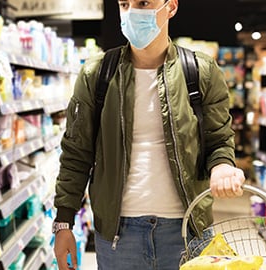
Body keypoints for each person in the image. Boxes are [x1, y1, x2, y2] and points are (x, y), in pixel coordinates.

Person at [52, 0, 246, 269]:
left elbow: (219, 139)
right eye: (125, 4)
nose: (132, 13)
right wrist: (63, 223)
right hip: (119, 237)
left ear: (171, 7)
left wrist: (223, 166)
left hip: (187, 233)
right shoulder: (96, 74)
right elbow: (76, 153)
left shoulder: (200, 71)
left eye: (144, 2)